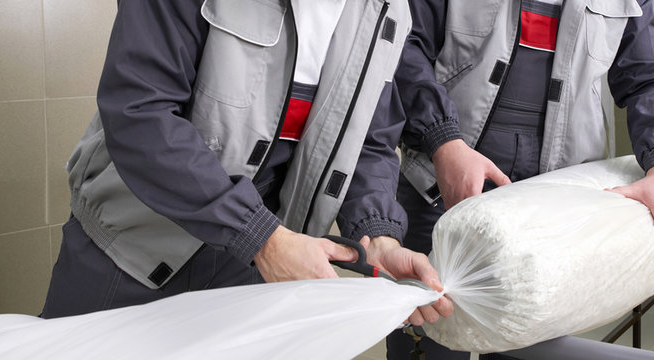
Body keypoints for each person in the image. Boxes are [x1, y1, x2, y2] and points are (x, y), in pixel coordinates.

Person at [41, 0, 452, 327]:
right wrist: (259, 236)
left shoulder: (387, 9)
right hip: (133, 247)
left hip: (261, 265)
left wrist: (378, 237)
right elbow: (140, 112)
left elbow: (367, 140)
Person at [387, 0, 654, 357]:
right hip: (440, 188)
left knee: (527, 343)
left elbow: (651, 77)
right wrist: (443, 141)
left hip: (550, 206)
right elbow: (403, 44)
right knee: (427, 337)